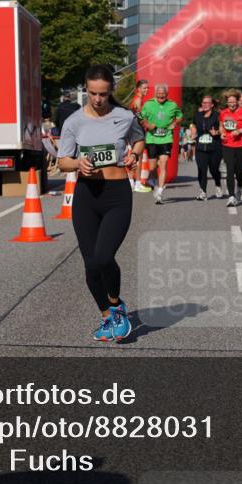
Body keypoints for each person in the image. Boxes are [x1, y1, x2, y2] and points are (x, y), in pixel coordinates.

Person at [57, 65, 145, 342]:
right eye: (93, 93)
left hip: (117, 193)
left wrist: (134, 156)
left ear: (111, 92)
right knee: (91, 265)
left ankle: (117, 305)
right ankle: (107, 317)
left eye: (103, 94)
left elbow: (140, 140)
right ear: (86, 89)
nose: (97, 99)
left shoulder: (125, 116)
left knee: (104, 257)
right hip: (86, 196)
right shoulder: (73, 122)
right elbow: (62, 161)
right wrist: (77, 164)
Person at [140, 84, 183, 204]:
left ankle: (159, 192)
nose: (161, 96)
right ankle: (153, 180)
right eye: (159, 93)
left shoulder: (172, 105)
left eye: (163, 94)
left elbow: (180, 116)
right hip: (152, 139)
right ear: (155, 94)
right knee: (153, 166)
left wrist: (175, 123)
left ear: (167, 94)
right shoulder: (148, 104)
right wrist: (147, 124)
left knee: (163, 164)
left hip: (166, 139)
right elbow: (140, 116)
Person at [219, 90, 242, 206]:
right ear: (227, 103)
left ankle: (239, 187)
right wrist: (221, 133)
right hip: (227, 144)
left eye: (233, 102)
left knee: (239, 171)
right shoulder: (223, 113)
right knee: (230, 170)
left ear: (237, 102)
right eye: (229, 102)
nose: (232, 104)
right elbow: (221, 126)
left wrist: (240, 130)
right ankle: (231, 196)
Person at [190, 95, 223, 200]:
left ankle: (218, 184)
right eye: (203, 103)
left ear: (212, 105)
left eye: (207, 103)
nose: (204, 105)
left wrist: (216, 132)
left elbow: (223, 129)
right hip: (200, 147)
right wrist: (193, 132)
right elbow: (193, 125)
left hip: (214, 147)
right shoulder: (198, 115)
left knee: (214, 170)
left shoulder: (218, 116)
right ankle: (203, 192)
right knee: (201, 169)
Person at [128, 79, 151, 192]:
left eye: (147, 88)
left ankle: (131, 182)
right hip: (137, 129)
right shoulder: (138, 99)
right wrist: (148, 125)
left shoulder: (137, 99)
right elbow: (139, 115)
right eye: (144, 88)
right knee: (139, 156)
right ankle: (137, 183)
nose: (146, 90)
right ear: (138, 89)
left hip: (133, 129)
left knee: (134, 156)